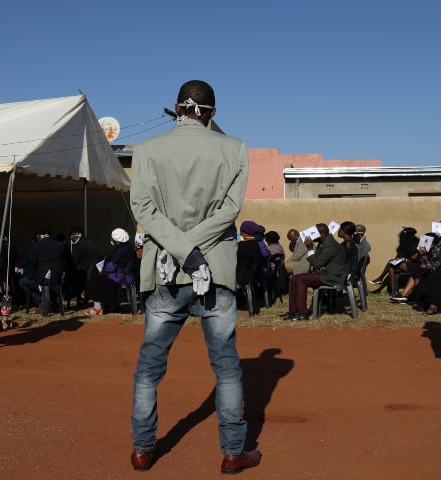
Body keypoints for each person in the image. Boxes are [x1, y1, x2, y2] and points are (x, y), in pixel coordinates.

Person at [128, 80, 260, 473]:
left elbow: (143, 209)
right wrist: (194, 248)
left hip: (164, 271)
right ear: (213, 113)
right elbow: (229, 211)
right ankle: (234, 452)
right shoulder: (234, 148)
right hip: (215, 269)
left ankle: (142, 449)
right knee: (227, 368)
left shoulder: (147, 150)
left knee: (149, 369)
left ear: (177, 108)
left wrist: (178, 247)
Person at [284, 223, 347, 320]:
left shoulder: (329, 245)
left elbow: (317, 264)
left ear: (321, 234)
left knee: (300, 279)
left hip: (332, 277)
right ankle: (293, 311)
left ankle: (302, 313)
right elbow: (321, 261)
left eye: (313, 233)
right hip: (326, 273)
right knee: (295, 278)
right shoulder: (325, 242)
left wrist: (309, 248)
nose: (311, 235)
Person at [83, 227, 136, 316]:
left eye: (112, 238)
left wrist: (103, 270)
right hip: (128, 274)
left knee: (96, 279)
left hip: (122, 276)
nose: (111, 239)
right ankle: (111, 305)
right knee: (100, 278)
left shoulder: (120, 250)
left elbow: (112, 267)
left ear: (116, 239)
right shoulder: (129, 247)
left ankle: (98, 308)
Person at [18, 227, 67, 313]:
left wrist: (27, 273)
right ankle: (50, 301)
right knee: (48, 285)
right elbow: (63, 261)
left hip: (41, 278)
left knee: (23, 282)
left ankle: (41, 301)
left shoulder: (36, 246)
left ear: (41, 236)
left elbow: (33, 264)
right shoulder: (60, 245)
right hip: (56, 278)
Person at [368, 226, 419, 296]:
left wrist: (405, 259)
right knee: (391, 268)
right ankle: (393, 292)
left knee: (390, 262)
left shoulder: (416, 243)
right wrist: (398, 259)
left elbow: (415, 257)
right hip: (404, 264)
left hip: (413, 265)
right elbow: (399, 255)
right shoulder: (403, 244)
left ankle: (380, 278)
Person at [65, 226, 100, 309]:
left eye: (71, 235)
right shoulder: (89, 242)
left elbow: (74, 261)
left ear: (75, 235)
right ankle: (82, 298)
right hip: (91, 270)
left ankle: (70, 299)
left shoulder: (79, 245)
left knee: (67, 276)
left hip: (83, 272)